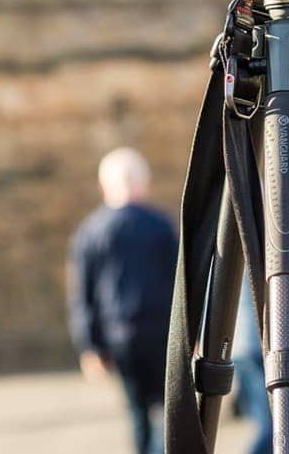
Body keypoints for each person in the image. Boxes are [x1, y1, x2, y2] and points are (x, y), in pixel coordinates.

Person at [65, 146, 177, 454]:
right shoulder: (161, 226)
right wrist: (193, 332)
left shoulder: (90, 232)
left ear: (105, 186)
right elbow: (183, 284)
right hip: (163, 333)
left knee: (136, 410)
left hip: (119, 335)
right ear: (144, 182)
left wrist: (89, 346)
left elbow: (82, 295)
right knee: (170, 407)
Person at [230, 282, 270, 454]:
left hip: (238, 349)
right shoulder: (255, 261)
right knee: (270, 426)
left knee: (262, 419)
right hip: (253, 349)